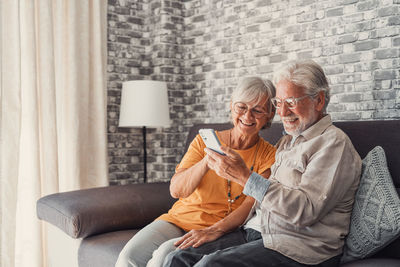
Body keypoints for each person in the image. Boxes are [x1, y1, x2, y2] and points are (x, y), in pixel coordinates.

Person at [162, 60, 362, 267]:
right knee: (177, 258)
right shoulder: (287, 142)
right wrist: (219, 229)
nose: (283, 113)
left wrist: (244, 176)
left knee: (211, 265)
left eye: (291, 102)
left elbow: (305, 211)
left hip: (298, 245)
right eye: (279, 103)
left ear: (318, 100)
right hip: (258, 232)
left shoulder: (333, 144)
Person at [115, 77, 277, 267]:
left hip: (218, 228)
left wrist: (215, 230)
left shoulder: (270, 155)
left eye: (257, 110)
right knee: (129, 256)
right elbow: (176, 191)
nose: (248, 116)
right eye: (242, 107)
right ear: (232, 106)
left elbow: (251, 205)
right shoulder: (204, 141)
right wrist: (206, 162)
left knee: (163, 256)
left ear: (269, 115)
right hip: (177, 220)